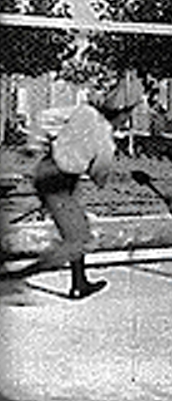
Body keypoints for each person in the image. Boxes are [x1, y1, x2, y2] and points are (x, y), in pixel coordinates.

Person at [2, 80, 143, 298]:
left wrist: (34, 144)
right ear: (121, 114)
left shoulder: (83, 112)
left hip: (48, 170)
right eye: (128, 113)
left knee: (78, 229)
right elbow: (99, 178)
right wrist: (126, 174)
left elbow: (43, 117)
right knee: (78, 240)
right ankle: (15, 277)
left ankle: (79, 283)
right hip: (57, 183)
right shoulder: (106, 142)